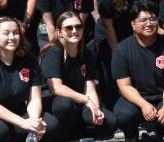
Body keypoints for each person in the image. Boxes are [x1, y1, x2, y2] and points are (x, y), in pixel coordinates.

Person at [0, 17, 58, 142]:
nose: (12, 37)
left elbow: (34, 97)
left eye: (16, 33)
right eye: (6, 33)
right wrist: (24, 123)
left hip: (15, 108)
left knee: (50, 125)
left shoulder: (29, 58)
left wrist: (34, 122)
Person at [110, 0, 164, 142]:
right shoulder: (121, 50)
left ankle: (161, 131)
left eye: (153, 19)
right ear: (133, 24)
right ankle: (131, 136)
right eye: (143, 20)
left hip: (162, 96)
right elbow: (124, 86)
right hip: (136, 98)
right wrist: (143, 104)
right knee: (123, 114)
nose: (149, 24)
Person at [40, 12, 117, 142]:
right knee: (65, 105)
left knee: (110, 122)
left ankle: (75, 134)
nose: (74, 31)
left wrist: (95, 110)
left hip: (78, 102)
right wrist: (87, 100)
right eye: (69, 28)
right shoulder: (53, 51)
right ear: (59, 33)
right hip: (53, 101)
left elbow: (90, 87)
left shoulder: (86, 53)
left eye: (78, 27)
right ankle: (61, 136)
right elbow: (56, 88)